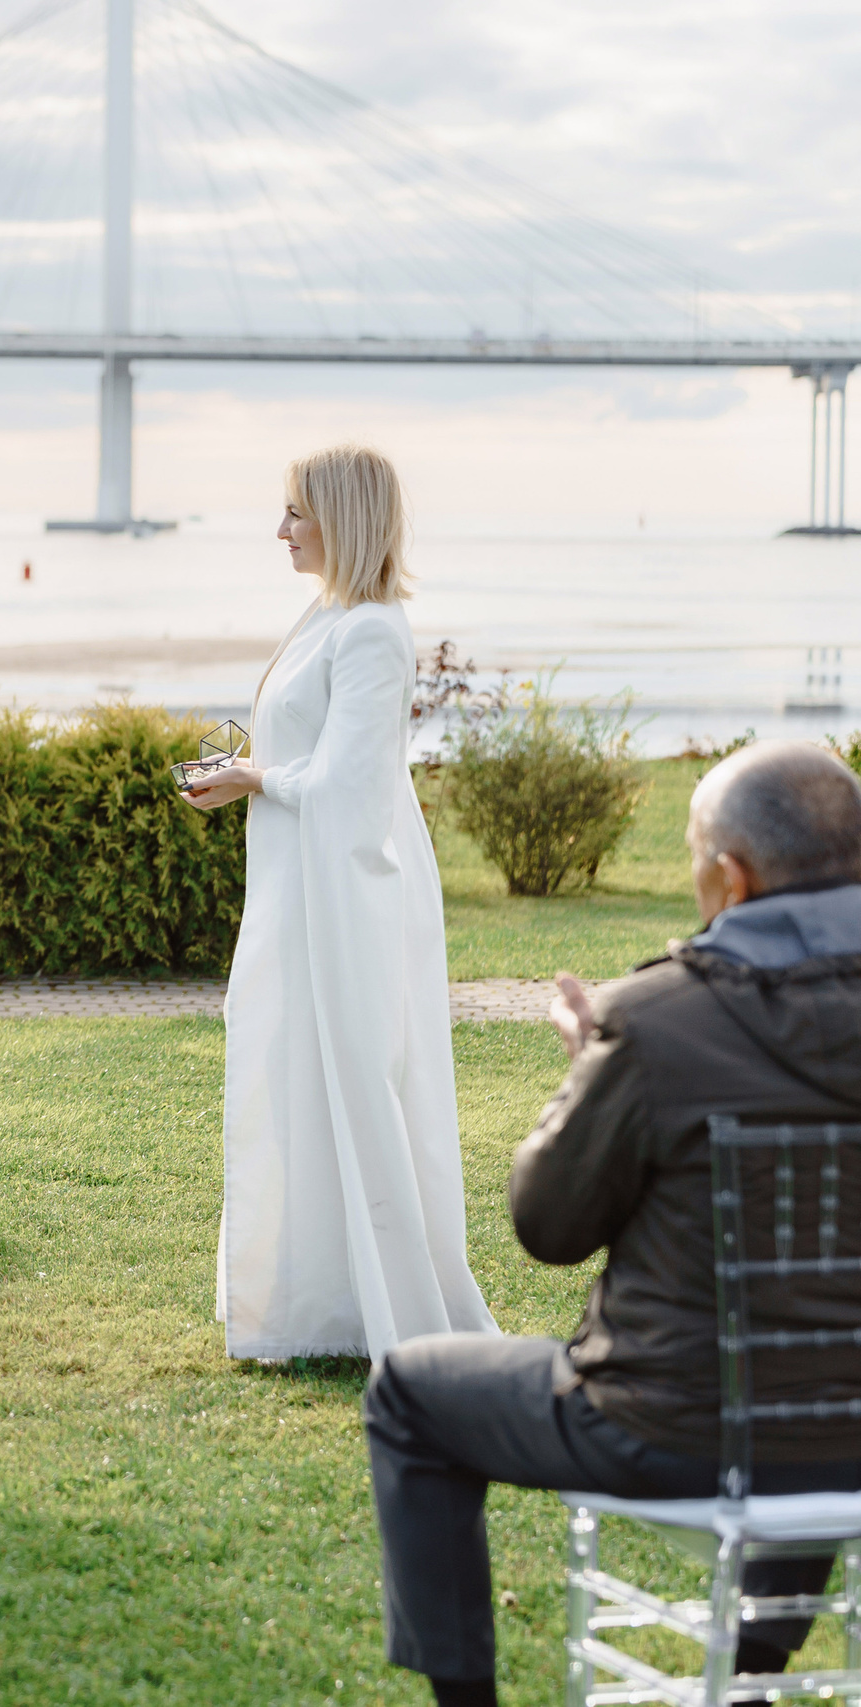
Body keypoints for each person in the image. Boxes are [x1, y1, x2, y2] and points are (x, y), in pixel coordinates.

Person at [364, 740, 861, 1707]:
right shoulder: (660, 1018)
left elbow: (547, 1225)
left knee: (411, 1388)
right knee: (813, 1392)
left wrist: (593, 1064)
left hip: (664, 1425)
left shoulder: (659, 1021)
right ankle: (749, 1677)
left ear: (731, 875)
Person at [184, 444, 495, 1361]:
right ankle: (301, 1297)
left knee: (352, 1078)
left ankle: (372, 1304)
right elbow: (305, 758)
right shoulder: (323, 617)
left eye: (295, 513)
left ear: (343, 520)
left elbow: (351, 788)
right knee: (289, 1069)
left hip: (347, 896)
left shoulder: (373, 631)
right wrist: (253, 775)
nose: (280, 530)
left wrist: (252, 777)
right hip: (294, 882)